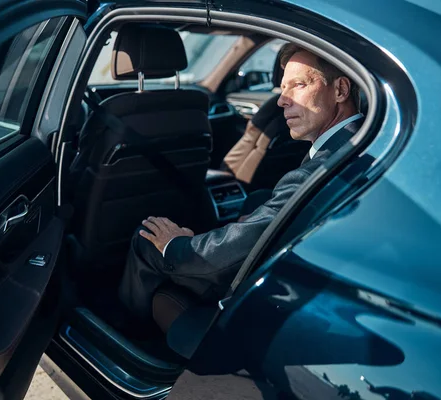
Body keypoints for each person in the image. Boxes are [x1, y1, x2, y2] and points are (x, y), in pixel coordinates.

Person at [119, 44, 364, 321]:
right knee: (258, 198)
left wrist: (175, 245)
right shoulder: (364, 141)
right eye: (283, 88)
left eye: (298, 85)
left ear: (341, 90)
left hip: (269, 290)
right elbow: (275, 211)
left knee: (146, 238)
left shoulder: (318, 170)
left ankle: (130, 333)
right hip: (319, 262)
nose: (282, 100)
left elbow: (226, 252)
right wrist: (258, 217)